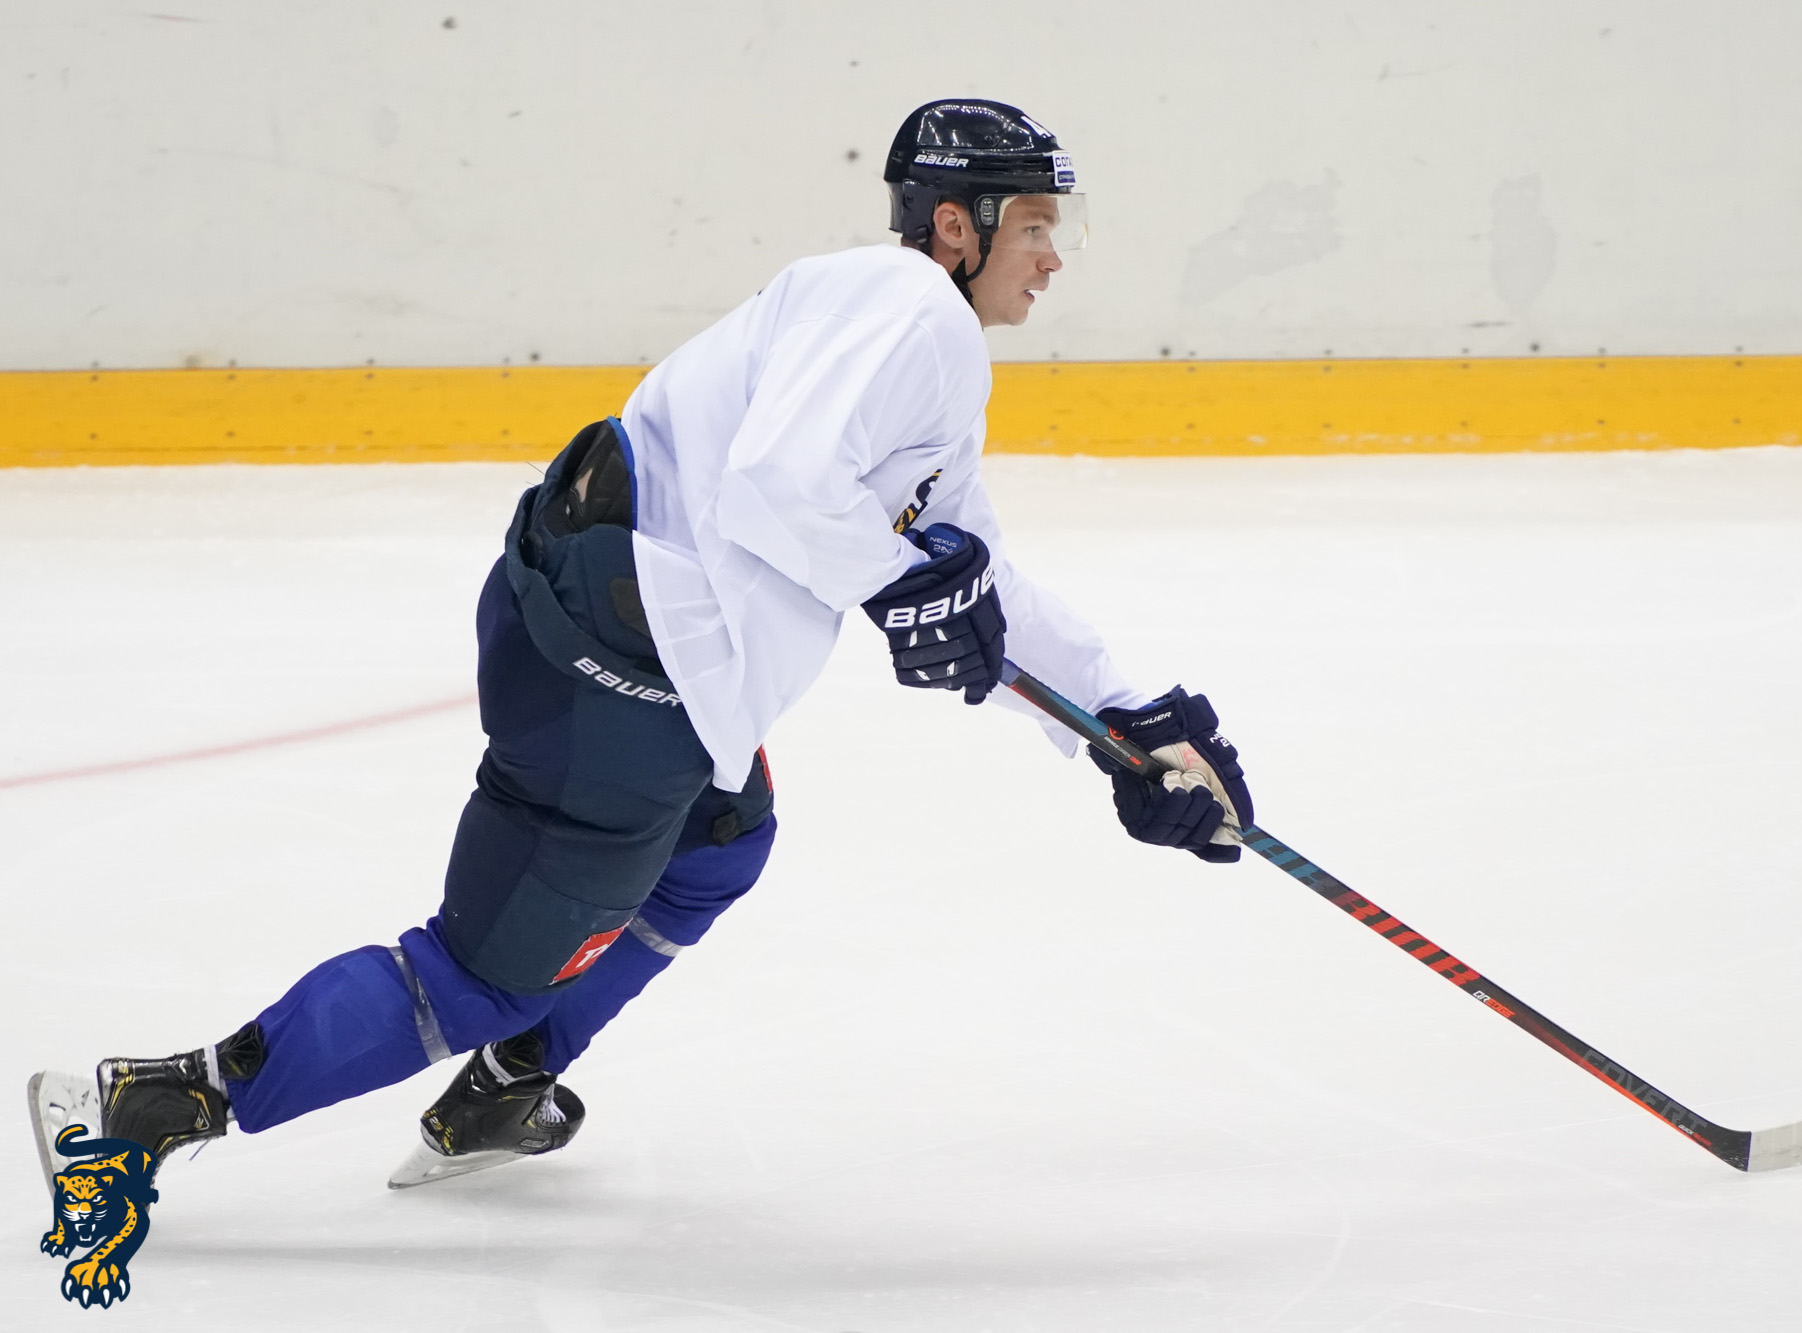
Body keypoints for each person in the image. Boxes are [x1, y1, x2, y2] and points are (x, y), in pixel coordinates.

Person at [35, 99, 1255, 1193]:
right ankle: (142, 1107)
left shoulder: (880, 324)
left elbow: (971, 579)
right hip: (618, 681)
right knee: (482, 972)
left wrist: (1127, 718)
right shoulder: (910, 313)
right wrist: (903, 591)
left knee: (720, 843)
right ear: (954, 226)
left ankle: (507, 1085)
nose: (1053, 256)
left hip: (613, 641)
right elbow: (782, 490)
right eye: (1034, 226)